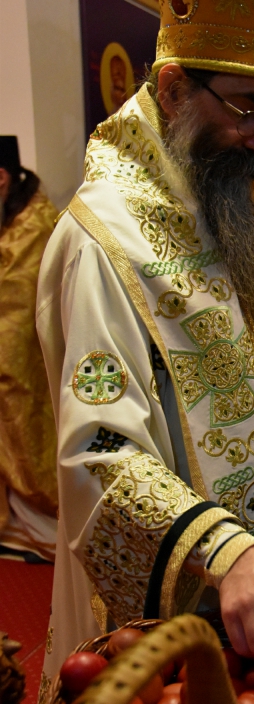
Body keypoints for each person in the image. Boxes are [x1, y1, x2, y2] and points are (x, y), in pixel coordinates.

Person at [36, 1, 254, 691]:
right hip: (177, 616)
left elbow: (233, 373)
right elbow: (98, 452)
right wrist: (228, 553)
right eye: (246, 110)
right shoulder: (101, 241)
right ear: (172, 90)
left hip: (248, 604)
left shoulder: (200, 201)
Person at [0, 136, 58, 562]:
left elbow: (13, 326)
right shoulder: (12, 213)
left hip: (31, 361)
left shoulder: (34, 226)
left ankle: (33, 522)